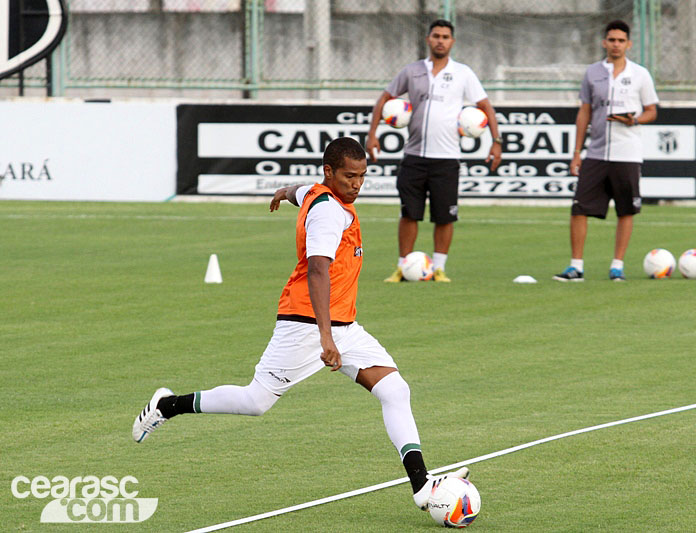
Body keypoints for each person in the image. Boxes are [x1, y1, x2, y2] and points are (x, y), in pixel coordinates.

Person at [132, 138, 468, 510]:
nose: (356, 184)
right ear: (329, 172)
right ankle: (169, 405)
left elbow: (299, 190)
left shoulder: (318, 191)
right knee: (255, 401)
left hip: (343, 325)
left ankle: (421, 485)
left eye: (362, 177)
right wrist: (325, 337)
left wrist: (282, 192)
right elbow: (318, 270)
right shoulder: (328, 213)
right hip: (307, 324)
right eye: (349, 177)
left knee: (394, 390)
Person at [366, 19, 502, 283]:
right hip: (414, 157)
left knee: (444, 216)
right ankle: (402, 267)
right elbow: (384, 99)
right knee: (409, 214)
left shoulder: (463, 73)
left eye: (446, 36)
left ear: (452, 42)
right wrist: (372, 134)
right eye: (436, 36)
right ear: (428, 39)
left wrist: (496, 141)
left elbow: (486, 106)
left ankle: (438, 268)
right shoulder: (412, 71)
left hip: (447, 158)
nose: (440, 40)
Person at [553, 20, 658, 282]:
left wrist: (634, 119)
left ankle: (617, 266)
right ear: (604, 42)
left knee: (626, 210)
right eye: (612, 40)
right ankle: (576, 266)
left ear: (628, 44)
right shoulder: (592, 73)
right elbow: (585, 112)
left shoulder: (640, 74)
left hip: (627, 153)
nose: (616, 45)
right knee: (579, 208)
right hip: (597, 153)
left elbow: (652, 111)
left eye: (621, 40)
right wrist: (577, 151)